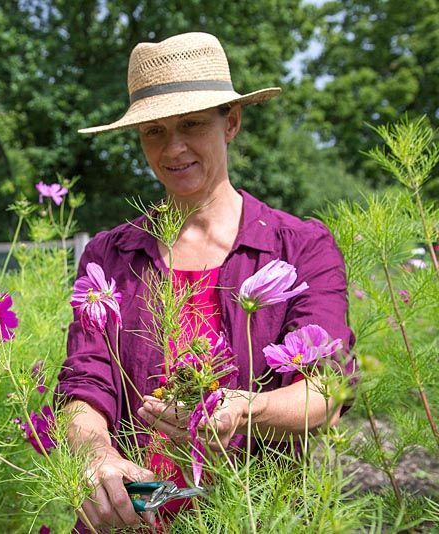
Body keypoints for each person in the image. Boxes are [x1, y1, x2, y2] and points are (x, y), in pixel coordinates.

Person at [55, 32, 355, 532]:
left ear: (231, 122)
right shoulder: (110, 254)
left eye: (191, 124)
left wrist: (243, 410)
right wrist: (95, 457)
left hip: (255, 512)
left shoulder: (300, 246)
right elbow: (86, 383)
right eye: (154, 131)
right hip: (134, 512)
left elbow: (326, 388)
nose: (173, 148)